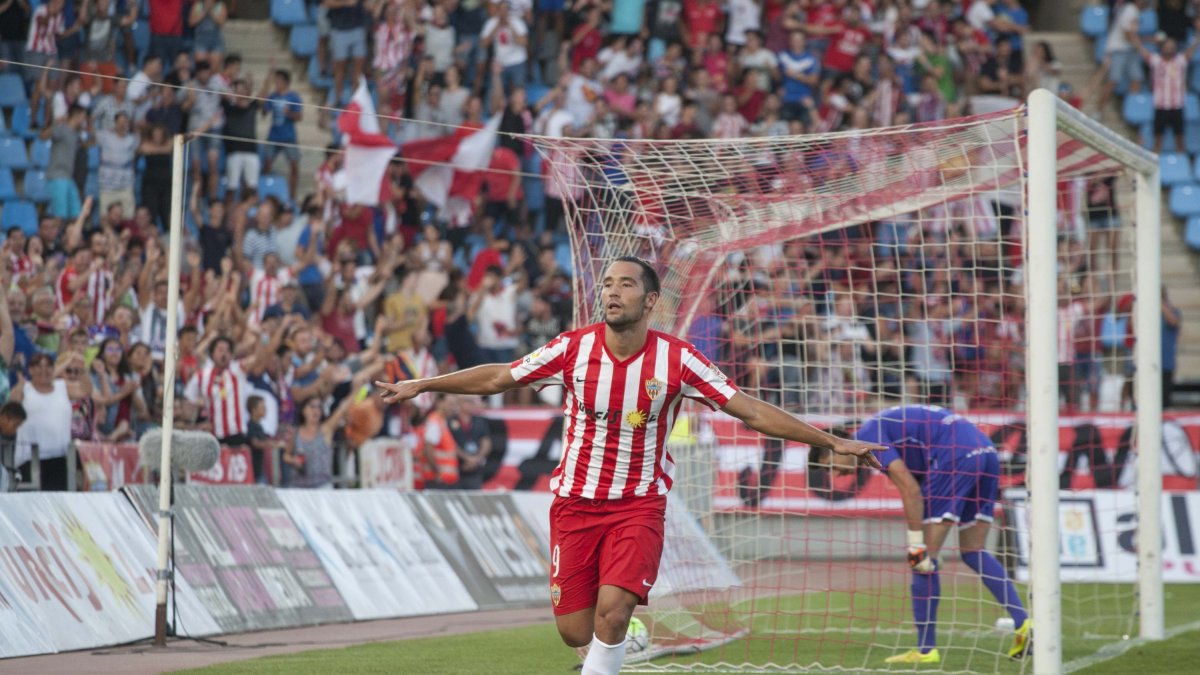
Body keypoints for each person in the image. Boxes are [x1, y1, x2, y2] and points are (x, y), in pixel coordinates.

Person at [376, 256, 883, 675]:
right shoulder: (572, 349)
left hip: (638, 506)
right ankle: (620, 638)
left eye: (625, 284)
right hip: (574, 504)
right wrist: (424, 384)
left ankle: (616, 635)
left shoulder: (679, 360)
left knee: (612, 614)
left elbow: (748, 409)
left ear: (650, 300)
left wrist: (829, 439)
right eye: (607, 284)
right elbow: (499, 378)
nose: (612, 292)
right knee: (575, 630)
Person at [808, 405, 1031, 664]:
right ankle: (1024, 623)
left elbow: (911, 490)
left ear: (840, 447)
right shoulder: (886, 432)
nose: (836, 475)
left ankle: (926, 650)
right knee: (973, 551)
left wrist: (917, 544)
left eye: (830, 466)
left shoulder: (868, 436)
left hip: (954, 456)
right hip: (987, 453)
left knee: (921, 559)